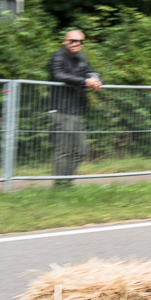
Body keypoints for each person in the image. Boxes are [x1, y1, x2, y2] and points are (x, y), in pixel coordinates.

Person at [47, 29, 101, 187]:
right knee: (63, 150)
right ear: (65, 41)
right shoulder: (58, 57)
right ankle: (60, 185)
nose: (76, 44)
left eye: (80, 41)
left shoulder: (81, 58)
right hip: (60, 109)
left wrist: (97, 80)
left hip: (76, 110)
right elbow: (58, 75)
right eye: (73, 41)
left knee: (82, 150)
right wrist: (85, 82)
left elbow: (91, 72)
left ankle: (66, 182)